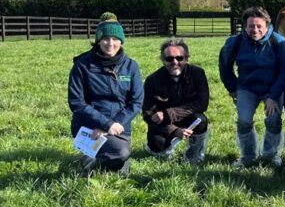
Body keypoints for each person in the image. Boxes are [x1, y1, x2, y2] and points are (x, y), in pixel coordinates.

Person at [67, 13, 144, 176]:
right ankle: (90, 159)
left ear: (121, 41)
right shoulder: (82, 65)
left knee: (122, 162)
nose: (111, 43)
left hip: (120, 126)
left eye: (115, 39)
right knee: (116, 155)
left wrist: (113, 125)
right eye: (106, 39)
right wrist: (105, 124)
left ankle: (96, 158)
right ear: (98, 40)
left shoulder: (131, 66)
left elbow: (136, 102)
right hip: (88, 124)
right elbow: (77, 103)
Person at [219, 6, 285, 168]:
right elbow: (225, 65)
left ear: (267, 25)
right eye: (251, 26)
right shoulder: (235, 42)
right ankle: (248, 156)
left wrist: (273, 96)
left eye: (259, 26)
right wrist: (232, 88)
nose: (255, 30)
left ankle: (271, 155)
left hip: (272, 88)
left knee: (273, 120)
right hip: (247, 88)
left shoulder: (278, 42)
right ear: (245, 26)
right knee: (244, 121)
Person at [142, 38, 210, 164]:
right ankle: (160, 149)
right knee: (157, 146)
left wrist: (169, 113)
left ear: (187, 58)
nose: (175, 62)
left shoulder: (198, 74)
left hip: (187, 117)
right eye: (169, 59)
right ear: (163, 60)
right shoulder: (152, 80)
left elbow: (202, 103)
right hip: (164, 124)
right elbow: (148, 113)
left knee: (201, 121)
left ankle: (194, 155)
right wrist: (174, 130)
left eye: (179, 58)